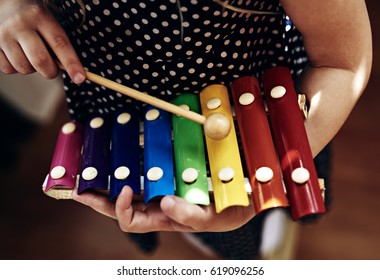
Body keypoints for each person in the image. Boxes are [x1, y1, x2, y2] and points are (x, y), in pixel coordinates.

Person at [0, 0, 372, 259]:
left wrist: (266, 176)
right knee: (158, 203)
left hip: (253, 134)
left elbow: (342, 61)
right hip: (120, 127)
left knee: (236, 235)